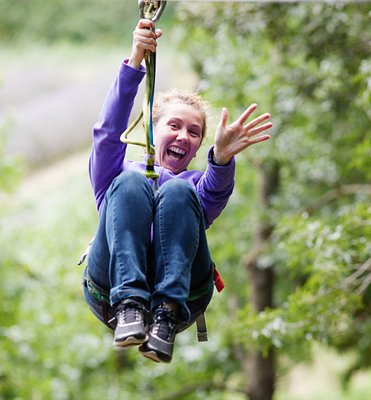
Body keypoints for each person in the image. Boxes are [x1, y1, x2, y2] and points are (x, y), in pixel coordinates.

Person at [82, 18, 272, 363]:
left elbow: (215, 192)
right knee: (129, 184)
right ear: (152, 132)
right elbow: (107, 134)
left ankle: (164, 314)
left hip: (182, 296)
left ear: (198, 146)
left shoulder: (195, 187)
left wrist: (222, 157)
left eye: (194, 132)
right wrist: (135, 61)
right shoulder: (117, 174)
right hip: (110, 288)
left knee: (178, 194)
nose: (184, 136)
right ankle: (130, 306)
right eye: (174, 125)